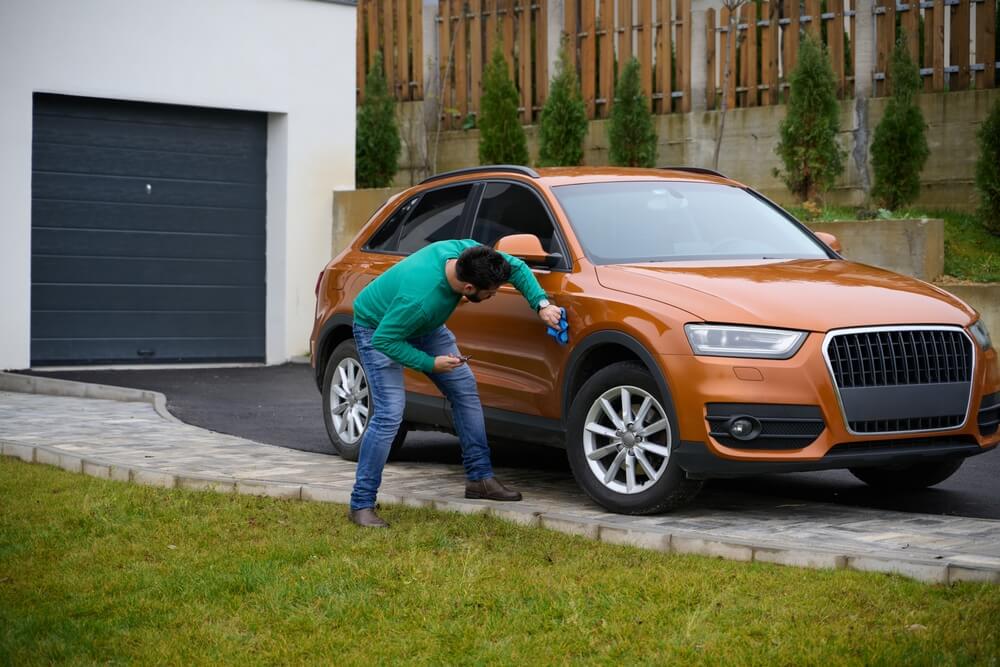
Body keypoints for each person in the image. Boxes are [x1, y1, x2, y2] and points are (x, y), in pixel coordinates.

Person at [348, 239, 563, 528]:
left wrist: (542, 304)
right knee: (389, 415)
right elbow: (385, 340)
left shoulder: (468, 252)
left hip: (426, 325)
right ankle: (361, 504)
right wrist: (429, 363)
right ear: (469, 289)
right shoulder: (420, 300)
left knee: (465, 391)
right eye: (491, 293)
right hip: (377, 326)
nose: (494, 295)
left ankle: (480, 479)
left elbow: (518, 267)